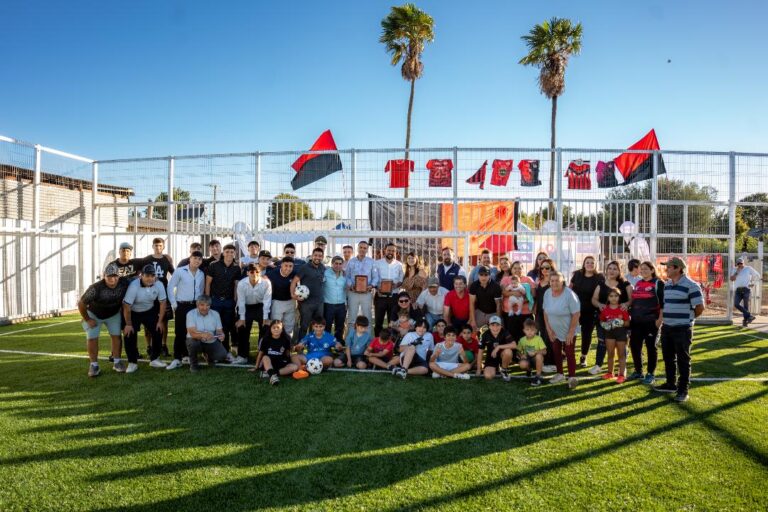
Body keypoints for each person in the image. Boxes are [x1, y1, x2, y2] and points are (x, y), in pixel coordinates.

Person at [654, 257, 704, 402]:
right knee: (668, 358)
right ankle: (671, 384)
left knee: (683, 359)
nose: (666, 269)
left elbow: (700, 307)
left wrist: (688, 319)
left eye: (668, 267)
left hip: (682, 329)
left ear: (677, 268)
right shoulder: (668, 285)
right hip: (667, 328)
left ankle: (683, 390)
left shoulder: (691, 285)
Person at [78, 263, 130, 377]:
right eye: (109, 276)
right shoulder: (95, 288)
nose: (112, 279)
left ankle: (117, 362)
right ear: (104, 276)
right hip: (94, 314)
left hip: (113, 314)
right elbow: (81, 303)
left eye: (115, 276)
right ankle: (94, 365)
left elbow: (137, 280)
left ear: (119, 276)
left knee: (116, 336)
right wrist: (87, 319)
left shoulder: (124, 283)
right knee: (92, 338)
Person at [588, 260, 633, 375]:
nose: (612, 271)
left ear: (619, 271)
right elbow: (594, 299)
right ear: (606, 270)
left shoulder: (625, 284)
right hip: (604, 319)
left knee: (621, 344)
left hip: (621, 320)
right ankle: (598, 365)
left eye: (615, 269)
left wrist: (626, 304)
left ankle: (622, 367)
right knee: (602, 342)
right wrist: (599, 305)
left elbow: (632, 298)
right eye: (610, 268)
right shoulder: (601, 284)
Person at [122, 264, 168, 369]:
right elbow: (126, 306)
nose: (150, 278)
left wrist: (160, 321)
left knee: (159, 330)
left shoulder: (159, 284)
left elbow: (163, 303)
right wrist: (128, 324)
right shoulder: (134, 285)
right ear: (141, 276)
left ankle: (155, 359)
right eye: (147, 276)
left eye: (152, 276)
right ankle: (132, 362)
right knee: (129, 333)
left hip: (149, 311)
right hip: (133, 312)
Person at [166, 250, 205, 370]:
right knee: (180, 333)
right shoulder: (180, 271)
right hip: (181, 306)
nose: (197, 261)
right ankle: (177, 358)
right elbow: (170, 287)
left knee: (193, 332)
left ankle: (188, 355)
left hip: (194, 306)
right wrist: (174, 304)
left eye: (199, 259)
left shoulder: (201, 274)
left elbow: (201, 290)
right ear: (190, 258)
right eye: (195, 258)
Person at [628, 261, 665, 384]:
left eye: (646, 269)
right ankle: (638, 371)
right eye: (641, 269)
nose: (643, 271)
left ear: (652, 270)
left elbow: (663, 304)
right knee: (634, 346)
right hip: (636, 322)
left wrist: (659, 320)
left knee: (651, 347)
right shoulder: (638, 283)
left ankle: (650, 373)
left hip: (651, 322)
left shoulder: (658, 283)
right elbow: (634, 302)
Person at [543, 271, 581, 388]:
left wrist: (571, 332)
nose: (554, 283)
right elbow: (545, 312)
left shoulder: (569, 294)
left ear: (562, 282)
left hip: (568, 329)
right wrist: (549, 329)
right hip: (554, 330)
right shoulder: (547, 293)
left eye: (557, 281)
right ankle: (560, 374)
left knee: (569, 352)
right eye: (552, 281)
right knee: (556, 351)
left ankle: (572, 377)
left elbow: (576, 314)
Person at [205, 244, 241, 356]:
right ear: (223, 253)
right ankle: (211, 351)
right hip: (215, 300)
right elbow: (208, 283)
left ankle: (225, 351)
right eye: (227, 251)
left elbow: (236, 285)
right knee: (214, 326)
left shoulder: (236, 267)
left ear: (234, 254)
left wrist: (235, 301)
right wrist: (208, 299)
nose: (229, 254)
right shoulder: (214, 265)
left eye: (232, 252)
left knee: (226, 327)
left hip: (229, 301)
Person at [141, 237, 175, 357]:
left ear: (163, 246)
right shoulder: (146, 259)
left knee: (164, 321)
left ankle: (163, 345)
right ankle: (149, 346)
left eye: (160, 245)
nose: (158, 247)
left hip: (163, 294)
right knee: (147, 322)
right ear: (152, 246)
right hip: (149, 295)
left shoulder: (166, 260)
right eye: (156, 245)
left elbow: (174, 274)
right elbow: (138, 272)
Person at [569, 256, 604, 368]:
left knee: (586, 334)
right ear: (584, 264)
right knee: (570, 332)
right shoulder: (577, 275)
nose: (589, 264)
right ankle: (568, 354)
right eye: (587, 262)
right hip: (574, 309)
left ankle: (583, 356)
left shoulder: (599, 277)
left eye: (592, 263)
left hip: (590, 310)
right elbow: (569, 289)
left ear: (595, 265)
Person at [235, 262, 272, 364]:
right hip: (246, 307)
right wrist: (242, 318)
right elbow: (241, 301)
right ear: (247, 273)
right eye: (252, 272)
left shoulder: (266, 283)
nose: (254, 274)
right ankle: (243, 356)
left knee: (265, 328)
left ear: (260, 273)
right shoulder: (242, 283)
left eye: (257, 272)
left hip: (261, 307)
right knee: (242, 328)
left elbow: (267, 301)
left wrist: (265, 317)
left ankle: (262, 356)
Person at [185, 295, 229, 372]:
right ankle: (193, 365)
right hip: (195, 339)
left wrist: (221, 335)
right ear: (197, 305)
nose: (205, 308)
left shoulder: (215, 314)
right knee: (193, 343)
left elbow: (219, 331)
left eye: (207, 305)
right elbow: (192, 333)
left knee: (222, 355)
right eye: (202, 305)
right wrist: (203, 335)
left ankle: (209, 357)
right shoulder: (190, 314)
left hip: (210, 340)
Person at [292, 247, 327, 339]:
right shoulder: (305, 267)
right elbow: (294, 281)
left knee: (316, 327)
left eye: (320, 256)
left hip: (319, 303)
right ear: (312, 256)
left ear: (322, 257)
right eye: (315, 255)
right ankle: (300, 347)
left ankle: (312, 346)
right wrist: (293, 295)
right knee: (304, 326)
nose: (317, 257)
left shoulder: (323, 268)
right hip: (306, 303)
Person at [253, 320, 299, 386]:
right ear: (270, 329)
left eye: (278, 327)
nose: (276, 329)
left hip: (281, 362)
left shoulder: (286, 339)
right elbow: (260, 353)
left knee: (294, 367)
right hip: (269, 363)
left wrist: (289, 362)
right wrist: (256, 367)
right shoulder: (266, 339)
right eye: (274, 327)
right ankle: (273, 377)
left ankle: (270, 374)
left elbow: (288, 353)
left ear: (282, 329)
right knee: (265, 357)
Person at [599, 288, 630, 382]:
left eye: (616, 296)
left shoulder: (622, 308)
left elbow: (627, 323)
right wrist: (604, 324)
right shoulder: (605, 310)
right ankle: (610, 373)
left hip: (621, 334)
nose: (613, 298)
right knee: (610, 354)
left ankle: (621, 374)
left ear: (619, 297)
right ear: (608, 298)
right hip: (609, 334)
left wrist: (620, 322)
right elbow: (601, 321)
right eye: (611, 296)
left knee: (621, 354)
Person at [345, 240, 377, 334]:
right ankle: (349, 341)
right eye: (361, 247)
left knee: (367, 317)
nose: (362, 249)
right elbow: (347, 276)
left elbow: (376, 277)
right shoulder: (351, 262)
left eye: (364, 248)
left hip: (366, 294)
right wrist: (351, 285)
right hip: (353, 293)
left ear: (367, 250)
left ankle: (368, 342)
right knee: (351, 318)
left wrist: (371, 286)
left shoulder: (372, 262)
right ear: (357, 248)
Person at [500, 261, 536, 343]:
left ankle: (524, 355)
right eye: (515, 268)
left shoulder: (528, 279)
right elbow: (503, 292)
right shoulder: (506, 279)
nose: (517, 270)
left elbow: (533, 295)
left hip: (525, 313)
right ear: (511, 269)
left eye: (520, 268)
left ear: (523, 269)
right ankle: (513, 354)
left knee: (525, 336)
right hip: (509, 312)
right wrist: (514, 293)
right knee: (511, 336)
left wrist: (522, 300)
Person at [373, 242, 404, 336]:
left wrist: (395, 285)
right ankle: (377, 341)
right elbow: (374, 278)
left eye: (393, 251)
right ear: (384, 251)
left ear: (396, 252)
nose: (391, 252)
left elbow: (401, 280)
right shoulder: (377, 263)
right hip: (380, 296)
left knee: (392, 321)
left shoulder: (399, 264)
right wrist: (377, 287)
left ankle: (392, 342)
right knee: (378, 321)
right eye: (389, 250)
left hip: (394, 296)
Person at [532, 258, 557, 373]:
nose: (545, 270)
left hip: (551, 313)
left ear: (552, 268)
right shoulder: (539, 281)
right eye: (542, 268)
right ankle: (543, 360)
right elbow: (537, 298)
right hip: (539, 313)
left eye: (547, 267)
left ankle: (551, 362)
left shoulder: (555, 281)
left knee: (549, 336)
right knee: (542, 337)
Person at [266, 257, 297, 339]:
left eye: (290, 266)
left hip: (291, 301)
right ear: (281, 265)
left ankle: (287, 347)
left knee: (289, 327)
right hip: (277, 302)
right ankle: (275, 347)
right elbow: (263, 278)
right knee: (276, 326)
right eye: (286, 265)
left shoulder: (294, 273)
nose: (288, 268)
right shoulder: (273, 273)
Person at [478, 315, 516, 381]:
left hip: (502, 356)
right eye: (492, 325)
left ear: (501, 326)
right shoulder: (485, 335)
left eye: (497, 325)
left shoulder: (504, 332)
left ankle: (504, 370)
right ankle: (496, 369)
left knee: (508, 352)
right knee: (488, 376)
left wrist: (498, 347)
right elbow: (480, 352)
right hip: (491, 357)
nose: (495, 328)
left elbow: (514, 345)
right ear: (489, 326)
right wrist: (479, 369)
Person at [323, 255, 348, 343]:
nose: (338, 265)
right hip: (328, 304)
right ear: (332, 264)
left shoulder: (345, 275)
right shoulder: (325, 273)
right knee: (327, 326)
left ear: (342, 265)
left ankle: (338, 343)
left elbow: (346, 288)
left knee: (340, 326)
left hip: (341, 305)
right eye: (336, 263)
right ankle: (327, 343)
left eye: (340, 264)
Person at [731, 257, 760, 327]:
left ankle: (745, 321)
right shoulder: (735, 269)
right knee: (736, 304)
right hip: (738, 290)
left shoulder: (748, 268)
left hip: (746, 289)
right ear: (736, 264)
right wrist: (737, 272)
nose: (740, 265)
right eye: (738, 264)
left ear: (743, 263)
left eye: (741, 263)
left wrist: (753, 283)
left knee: (745, 306)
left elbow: (757, 275)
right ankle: (749, 316)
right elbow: (732, 279)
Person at [517, 318, 547, 386]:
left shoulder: (538, 339)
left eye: (532, 330)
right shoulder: (522, 340)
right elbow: (517, 351)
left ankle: (538, 376)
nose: (530, 332)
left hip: (536, 360)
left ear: (536, 331)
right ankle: (529, 370)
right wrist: (521, 355)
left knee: (539, 356)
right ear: (524, 330)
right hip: (527, 359)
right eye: (527, 330)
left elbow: (544, 351)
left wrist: (536, 352)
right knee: (522, 364)